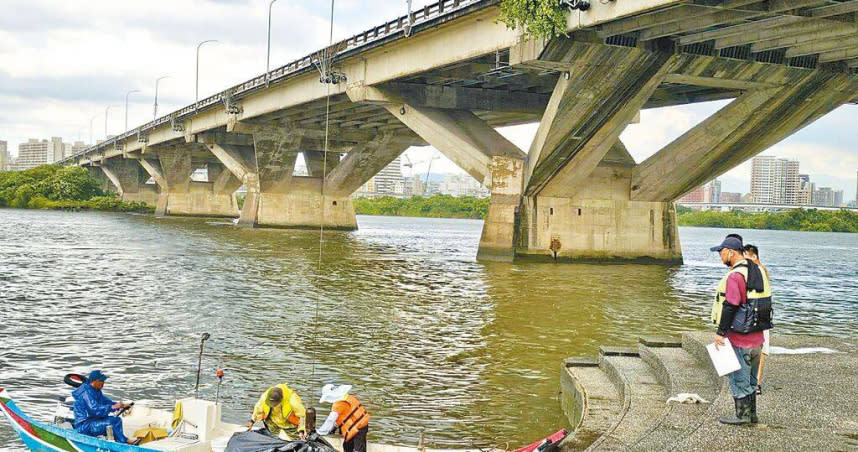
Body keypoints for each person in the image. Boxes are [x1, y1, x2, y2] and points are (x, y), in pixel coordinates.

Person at [710, 235, 768, 425]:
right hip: (758, 337)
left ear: (730, 252)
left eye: (721, 252)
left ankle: (741, 415)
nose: (720, 256)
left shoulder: (736, 275)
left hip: (739, 338)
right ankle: (752, 414)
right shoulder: (758, 270)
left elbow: (731, 305)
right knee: (752, 380)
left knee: (738, 378)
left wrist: (720, 333)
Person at [71, 370, 136, 444]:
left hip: (94, 421)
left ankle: (118, 441)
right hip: (85, 426)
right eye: (101, 381)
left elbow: (108, 403)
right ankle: (125, 441)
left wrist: (121, 405)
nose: (103, 383)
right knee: (110, 423)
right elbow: (94, 410)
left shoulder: (97, 391)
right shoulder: (85, 393)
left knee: (117, 420)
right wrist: (113, 407)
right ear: (94, 381)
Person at [744, 244, 772, 395]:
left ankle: (756, 383)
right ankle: (755, 383)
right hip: (761, 314)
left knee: (760, 350)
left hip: (760, 315)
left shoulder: (759, 271)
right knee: (758, 349)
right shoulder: (757, 271)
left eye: (746, 257)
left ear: (754, 257)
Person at [316, 384, 370, 452]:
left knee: (358, 449)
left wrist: (320, 432)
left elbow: (330, 420)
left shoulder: (339, 404)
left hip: (359, 427)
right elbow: (344, 416)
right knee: (347, 446)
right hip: (358, 425)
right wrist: (334, 427)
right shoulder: (347, 397)